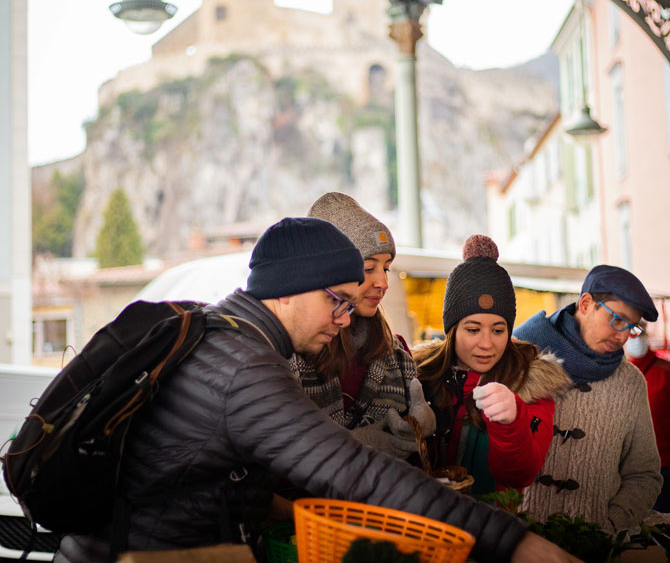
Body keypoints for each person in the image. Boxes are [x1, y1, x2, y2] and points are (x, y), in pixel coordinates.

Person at [54, 217, 578, 563]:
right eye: (338, 300)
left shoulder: (226, 333)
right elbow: (354, 471)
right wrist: (516, 543)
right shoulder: (242, 365)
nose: (345, 317)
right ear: (290, 290)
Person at [413, 234, 569, 497]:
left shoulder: (531, 383)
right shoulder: (418, 374)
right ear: (451, 330)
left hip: (493, 528)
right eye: (473, 329)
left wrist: (511, 422)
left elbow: (521, 475)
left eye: (498, 330)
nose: (486, 344)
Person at [514, 264, 663, 533]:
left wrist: (611, 525)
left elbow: (645, 474)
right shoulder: (520, 360)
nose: (623, 336)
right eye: (617, 319)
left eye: (632, 327)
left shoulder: (630, 383)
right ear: (585, 304)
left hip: (594, 547)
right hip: (518, 539)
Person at [286, 191, 433, 460]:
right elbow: (281, 453)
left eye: (386, 268)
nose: (383, 283)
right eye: (368, 269)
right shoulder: (288, 356)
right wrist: (362, 442)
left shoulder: (398, 355)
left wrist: (422, 425)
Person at [624, 325, 670, 512]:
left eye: (639, 333)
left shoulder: (665, 371)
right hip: (628, 467)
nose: (635, 339)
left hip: (665, 464)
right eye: (631, 334)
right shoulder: (619, 374)